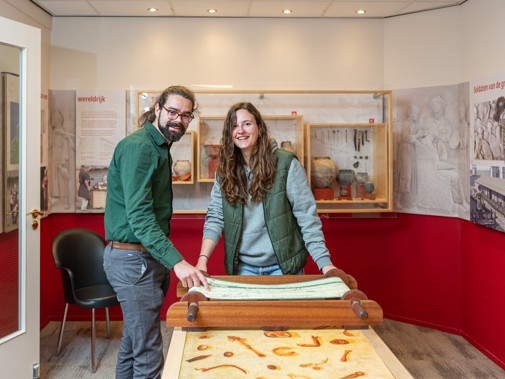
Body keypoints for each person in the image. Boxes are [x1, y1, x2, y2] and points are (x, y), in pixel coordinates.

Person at [103, 85, 209, 379]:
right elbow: (140, 217)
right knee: (149, 355)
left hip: (144, 259)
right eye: (173, 111)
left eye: (186, 115)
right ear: (158, 109)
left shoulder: (159, 148)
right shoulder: (140, 147)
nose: (179, 120)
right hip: (131, 261)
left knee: (133, 344)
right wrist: (178, 262)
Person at [196, 102, 348, 282]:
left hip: (283, 266)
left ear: (259, 128)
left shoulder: (286, 163)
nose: (240, 130)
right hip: (243, 268)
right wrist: (202, 261)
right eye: (234, 125)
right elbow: (216, 216)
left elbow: (306, 216)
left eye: (247, 124)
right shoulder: (225, 170)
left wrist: (325, 265)